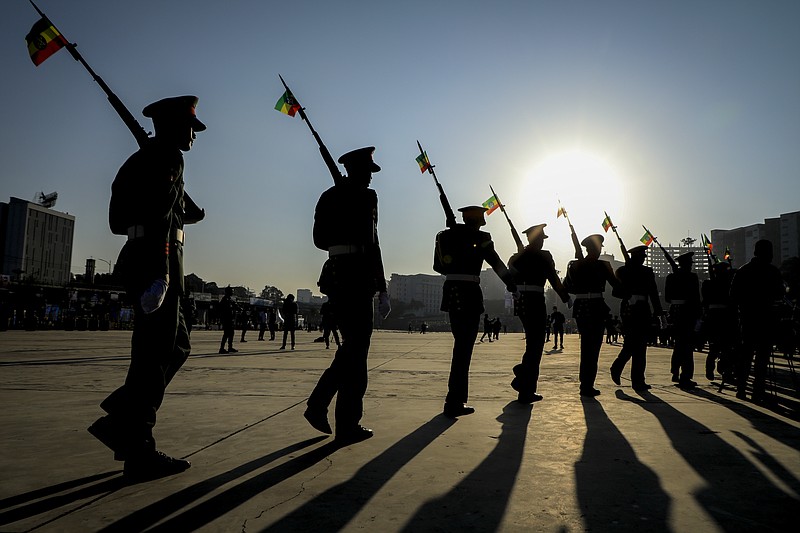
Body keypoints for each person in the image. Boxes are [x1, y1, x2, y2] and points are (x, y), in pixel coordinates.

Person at [88, 95, 206, 481]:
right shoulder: (168, 158)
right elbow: (157, 218)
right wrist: (162, 273)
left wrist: (186, 209)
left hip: (145, 257)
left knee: (176, 345)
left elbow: (118, 220)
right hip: (159, 262)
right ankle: (138, 447)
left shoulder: (139, 163)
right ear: (172, 127)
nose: (194, 134)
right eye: (190, 127)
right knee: (155, 354)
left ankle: (123, 419)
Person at [304, 147, 391, 443]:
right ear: (354, 170)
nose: (370, 177)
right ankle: (328, 410)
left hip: (350, 276)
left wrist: (382, 287)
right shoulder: (341, 197)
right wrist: (346, 218)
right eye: (367, 171)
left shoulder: (354, 197)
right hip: (349, 275)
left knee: (355, 350)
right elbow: (321, 240)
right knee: (356, 349)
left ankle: (340, 419)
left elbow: (370, 241)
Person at [434, 205, 517, 417]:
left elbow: (439, 267)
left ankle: (455, 400)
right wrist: (511, 284)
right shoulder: (481, 237)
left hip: (452, 293)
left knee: (460, 348)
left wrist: (455, 240)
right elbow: (495, 262)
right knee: (463, 350)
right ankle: (454, 401)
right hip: (469, 293)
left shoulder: (446, 236)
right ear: (478, 219)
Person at [507, 223, 570, 403]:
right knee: (536, 344)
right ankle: (524, 381)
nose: (542, 243)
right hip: (534, 300)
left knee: (533, 344)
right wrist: (565, 297)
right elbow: (553, 277)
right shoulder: (543, 256)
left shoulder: (518, 256)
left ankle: (524, 381)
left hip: (521, 302)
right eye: (540, 239)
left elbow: (510, 274)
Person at [563, 234, 623, 397]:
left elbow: (566, 287)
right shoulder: (598, 265)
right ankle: (587, 384)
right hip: (595, 307)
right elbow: (617, 287)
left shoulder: (577, 265)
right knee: (592, 348)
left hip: (583, 308)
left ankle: (586, 383)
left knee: (588, 347)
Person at [730, 240, 785, 403]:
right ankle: (757, 389)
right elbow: (780, 293)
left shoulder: (743, 271)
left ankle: (741, 387)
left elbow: (733, 296)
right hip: (765, 319)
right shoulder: (772, 271)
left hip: (748, 319)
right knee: (762, 357)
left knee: (746, 355)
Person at [609, 245, 663, 391]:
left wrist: (658, 311)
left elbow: (652, 292)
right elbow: (615, 292)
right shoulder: (622, 271)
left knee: (641, 346)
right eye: (642, 256)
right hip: (629, 309)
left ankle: (637, 380)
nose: (644, 258)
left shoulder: (647, 271)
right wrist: (628, 294)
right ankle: (618, 367)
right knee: (632, 343)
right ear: (635, 256)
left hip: (643, 309)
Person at [665, 252, 701, 389]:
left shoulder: (671, 277)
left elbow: (667, 298)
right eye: (690, 263)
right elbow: (696, 298)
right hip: (688, 313)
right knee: (687, 346)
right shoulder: (692, 277)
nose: (691, 266)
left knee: (679, 344)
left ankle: (675, 371)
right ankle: (685, 376)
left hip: (675, 313)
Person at [701, 262, 736, 381]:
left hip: (715, 317)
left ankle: (719, 369)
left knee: (719, 347)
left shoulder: (709, 283)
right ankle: (720, 369)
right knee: (720, 346)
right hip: (722, 317)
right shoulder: (724, 283)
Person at [218, 286, 238, 354]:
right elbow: (221, 310)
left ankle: (230, 347)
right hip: (226, 320)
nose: (233, 292)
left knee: (231, 334)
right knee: (226, 334)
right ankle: (222, 348)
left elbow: (235, 305)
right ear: (228, 292)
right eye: (231, 291)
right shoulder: (224, 300)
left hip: (230, 319)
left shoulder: (230, 299)